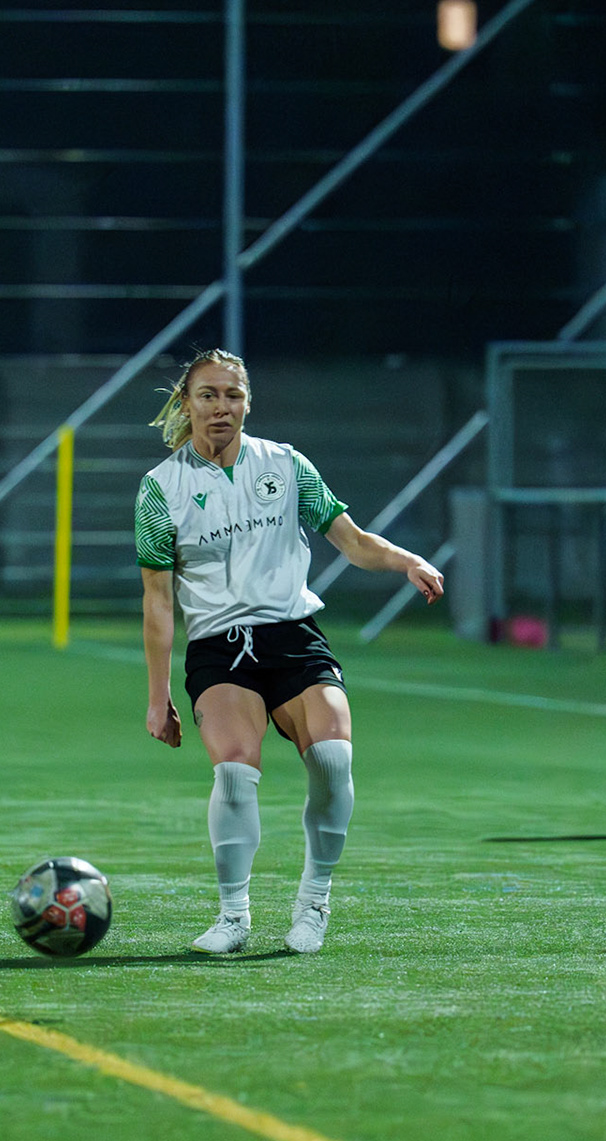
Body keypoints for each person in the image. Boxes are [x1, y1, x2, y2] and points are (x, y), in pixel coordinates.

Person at [137, 350, 444, 955]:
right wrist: (158, 698)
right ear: (186, 403)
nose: (220, 406)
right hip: (219, 647)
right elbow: (157, 601)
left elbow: (351, 542)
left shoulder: (287, 465)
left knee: (332, 759)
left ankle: (314, 902)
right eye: (207, 395)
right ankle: (233, 916)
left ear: (247, 402)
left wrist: (407, 561)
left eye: (231, 394)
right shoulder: (160, 489)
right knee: (233, 769)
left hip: (292, 633)